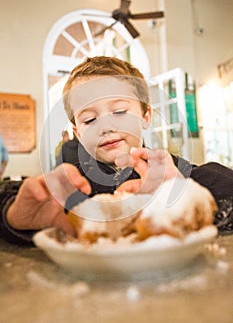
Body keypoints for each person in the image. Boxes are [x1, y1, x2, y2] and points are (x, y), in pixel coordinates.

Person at [0, 56, 233, 246]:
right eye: (90, 119)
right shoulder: (71, 185)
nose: (105, 127)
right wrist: (13, 216)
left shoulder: (171, 173)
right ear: (78, 133)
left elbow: (221, 185)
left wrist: (182, 195)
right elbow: (16, 197)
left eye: (120, 111)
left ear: (146, 116)